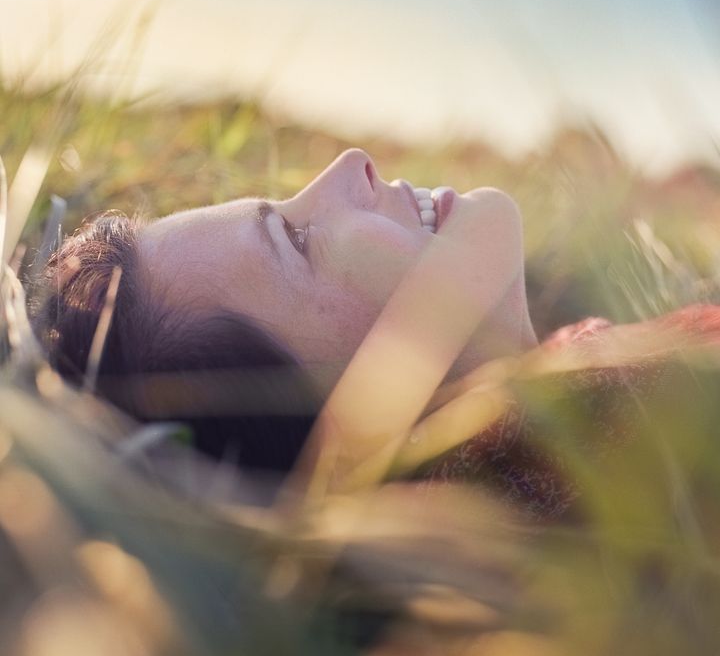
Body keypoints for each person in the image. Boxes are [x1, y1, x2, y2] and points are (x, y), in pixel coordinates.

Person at [30, 148, 720, 516]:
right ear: (341, 425)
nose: (349, 163)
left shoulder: (593, 409)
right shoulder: (642, 436)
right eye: (296, 240)